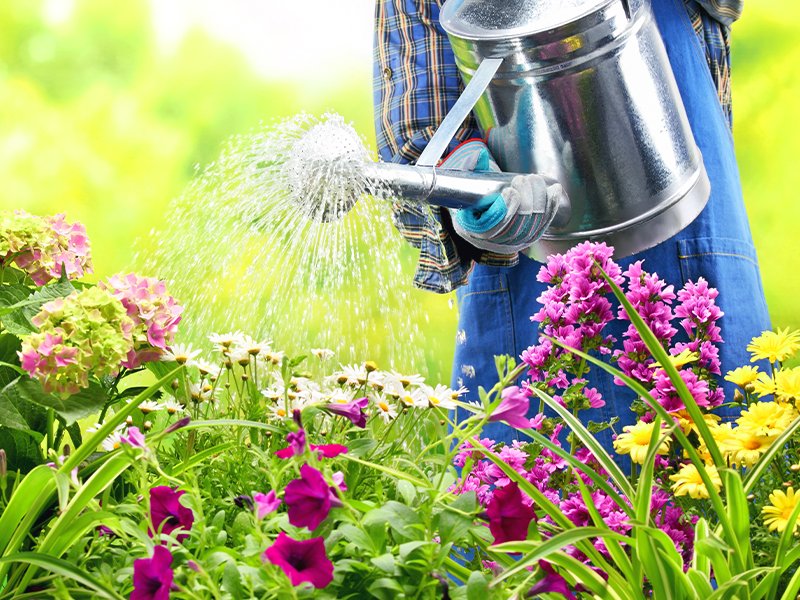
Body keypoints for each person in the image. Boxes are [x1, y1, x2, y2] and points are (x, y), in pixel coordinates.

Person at [373, 0, 770, 449]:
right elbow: (416, 104)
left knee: (721, 479)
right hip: (528, 252)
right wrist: (460, 180)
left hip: (687, 218)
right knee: (540, 490)